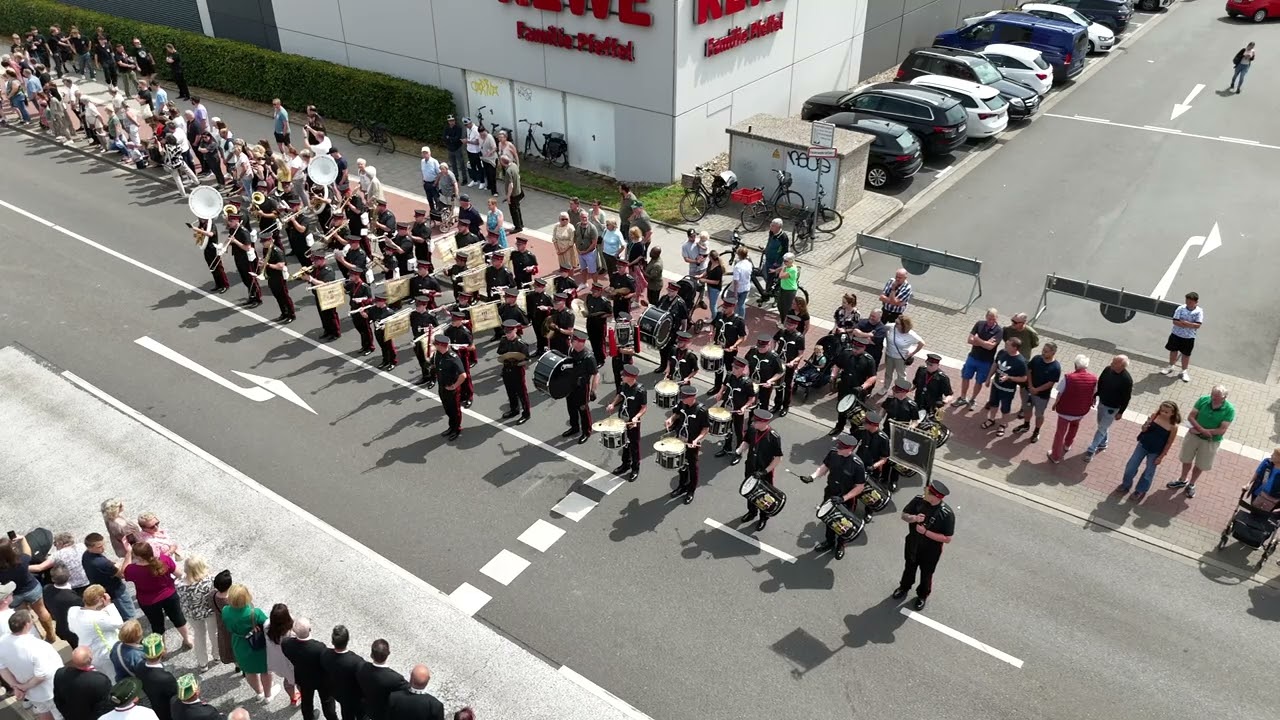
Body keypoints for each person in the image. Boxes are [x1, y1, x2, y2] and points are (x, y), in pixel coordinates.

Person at [892, 480, 955, 611]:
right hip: (913, 542)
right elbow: (904, 515)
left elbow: (947, 538)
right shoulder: (918, 500)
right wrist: (913, 518)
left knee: (926, 574)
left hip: (931, 550)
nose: (924, 492)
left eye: (928, 492)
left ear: (936, 497)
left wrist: (926, 532)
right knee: (909, 567)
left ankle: (922, 595)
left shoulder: (947, 514)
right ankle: (904, 587)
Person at [1167, 385, 1235, 499]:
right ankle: (1182, 479)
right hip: (1193, 436)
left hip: (1210, 442)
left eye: (1218, 397)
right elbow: (1191, 417)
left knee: (1201, 464)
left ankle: (1192, 484)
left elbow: (1222, 430)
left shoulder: (1230, 410)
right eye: (1213, 395)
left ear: (1225, 397)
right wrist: (1202, 431)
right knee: (1186, 459)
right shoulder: (1203, 400)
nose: (1214, 398)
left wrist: (1199, 431)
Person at [810, 433, 868, 560]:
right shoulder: (833, 453)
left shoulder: (857, 465)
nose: (838, 448)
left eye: (841, 447)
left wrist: (844, 498)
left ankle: (841, 544)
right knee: (829, 519)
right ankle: (829, 541)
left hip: (846, 498)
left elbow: (860, 487)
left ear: (850, 449)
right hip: (830, 492)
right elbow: (825, 467)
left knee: (844, 523)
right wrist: (812, 476)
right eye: (838, 445)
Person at [122, 543, 191, 647]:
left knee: (156, 625)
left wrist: (128, 553)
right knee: (178, 617)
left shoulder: (132, 570)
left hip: (148, 601)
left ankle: (161, 649)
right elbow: (180, 574)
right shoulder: (164, 559)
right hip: (169, 595)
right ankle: (187, 640)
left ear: (138, 556)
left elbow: (123, 572)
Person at [0, 609, 63, 720]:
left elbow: (2, 668)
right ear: (27, 625)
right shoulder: (38, 646)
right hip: (50, 690)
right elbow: (41, 675)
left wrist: (15, 686)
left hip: (32, 694)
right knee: (60, 714)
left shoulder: (2, 642)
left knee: (43, 712)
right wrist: (23, 687)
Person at [1115, 400, 1181, 501]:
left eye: (1166, 412)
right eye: (1162, 410)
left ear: (1173, 413)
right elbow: (1144, 429)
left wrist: (1161, 456)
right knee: (1131, 466)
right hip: (1143, 444)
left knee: (1149, 472)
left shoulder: (1173, 427)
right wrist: (1144, 427)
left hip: (1155, 451)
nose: (1163, 413)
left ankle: (1140, 490)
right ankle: (1126, 484)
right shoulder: (1154, 415)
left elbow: (1169, 443)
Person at [0, 536, 57, 640]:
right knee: (42, 610)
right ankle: (51, 635)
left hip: (14, 595)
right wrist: (23, 539)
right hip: (32, 588)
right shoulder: (21, 560)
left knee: (24, 617)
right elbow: (28, 551)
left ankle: (34, 636)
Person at [736, 409, 785, 531]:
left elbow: (778, 458)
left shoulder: (773, 437)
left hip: (764, 472)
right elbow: (746, 442)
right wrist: (738, 452)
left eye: (756, 422)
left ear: (764, 422)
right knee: (750, 492)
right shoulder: (752, 430)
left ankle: (764, 517)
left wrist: (765, 471)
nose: (753, 423)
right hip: (751, 467)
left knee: (764, 496)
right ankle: (752, 512)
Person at [220, 584, 271, 702]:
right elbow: (267, 625)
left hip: (239, 644)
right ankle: (268, 696)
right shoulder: (255, 613)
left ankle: (259, 692)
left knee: (249, 671)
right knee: (265, 670)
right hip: (258, 645)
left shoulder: (226, 611)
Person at [282, 618, 337, 720]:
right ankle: (331, 718)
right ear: (310, 629)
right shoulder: (319, 647)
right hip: (322, 680)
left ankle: (309, 718)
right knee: (327, 701)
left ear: (294, 631)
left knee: (306, 702)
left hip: (303, 678)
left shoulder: (286, 644)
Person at [1047, 355, 1097, 464]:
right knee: (1074, 426)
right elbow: (1093, 394)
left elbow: (1059, 393)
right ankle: (1067, 445)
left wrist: (1055, 404)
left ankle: (1055, 456)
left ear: (1075, 365)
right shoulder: (1093, 379)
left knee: (1060, 433)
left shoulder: (1068, 377)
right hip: (1081, 411)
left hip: (1065, 411)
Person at [1083, 354, 1133, 461]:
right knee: (1101, 424)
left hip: (1112, 408)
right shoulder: (1107, 370)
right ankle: (1103, 443)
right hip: (1102, 403)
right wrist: (1095, 395)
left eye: (1114, 362)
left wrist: (1121, 412)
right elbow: (1100, 382)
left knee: (1101, 428)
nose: (1111, 363)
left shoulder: (1127, 380)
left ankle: (1091, 449)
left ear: (1122, 366)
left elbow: (1126, 398)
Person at [666, 385, 710, 503]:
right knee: (681, 464)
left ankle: (691, 490)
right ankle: (681, 486)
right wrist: (671, 419)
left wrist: (697, 440)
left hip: (692, 443)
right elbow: (677, 414)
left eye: (685, 398)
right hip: (680, 439)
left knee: (692, 467)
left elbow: (705, 429)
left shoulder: (701, 411)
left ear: (692, 397)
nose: (682, 399)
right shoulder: (683, 404)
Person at [175, 555, 218, 670]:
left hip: (192, 614)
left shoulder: (179, 584)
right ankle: (217, 655)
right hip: (209, 611)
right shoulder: (209, 581)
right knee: (213, 633)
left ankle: (203, 663)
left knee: (199, 635)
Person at [67, 585, 123, 672]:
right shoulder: (98, 618)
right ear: (101, 600)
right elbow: (119, 623)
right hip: (105, 654)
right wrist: (109, 605)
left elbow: (72, 628)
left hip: (90, 652)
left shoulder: (73, 610)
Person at [1012, 342, 1060, 443]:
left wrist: (1036, 390)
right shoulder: (1037, 358)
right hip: (1028, 390)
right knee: (1027, 409)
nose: (1043, 353)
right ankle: (1026, 424)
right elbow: (1029, 371)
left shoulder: (1055, 367)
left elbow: (1050, 383)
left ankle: (1036, 431)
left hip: (1042, 396)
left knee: (1039, 414)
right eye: (1043, 350)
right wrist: (1030, 386)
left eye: (1046, 351)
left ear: (1053, 353)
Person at [980, 337, 1027, 437]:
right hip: (996, 385)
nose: (1005, 346)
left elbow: (1023, 378)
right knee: (993, 404)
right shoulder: (1002, 352)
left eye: (1008, 345)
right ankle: (991, 419)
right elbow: (995, 365)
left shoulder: (1021, 361)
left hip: (1008, 390)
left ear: (1015, 348)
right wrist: (989, 378)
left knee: (1005, 408)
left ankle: (1003, 424)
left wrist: (1009, 377)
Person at [54, 646, 113, 720]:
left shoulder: (60, 673)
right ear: (90, 659)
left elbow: (58, 700)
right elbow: (106, 706)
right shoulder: (99, 681)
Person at [957, 309, 1000, 408]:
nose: (991, 321)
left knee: (979, 381)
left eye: (993, 319)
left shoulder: (998, 331)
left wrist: (978, 339)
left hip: (986, 362)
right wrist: (985, 342)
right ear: (986, 317)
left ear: (996, 319)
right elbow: (969, 340)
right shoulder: (979, 324)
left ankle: (972, 399)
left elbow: (990, 347)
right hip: (972, 357)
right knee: (965, 377)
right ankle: (963, 397)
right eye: (989, 319)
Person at [561, 331, 598, 444]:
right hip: (571, 384)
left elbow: (595, 374)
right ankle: (574, 427)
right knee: (571, 407)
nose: (573, 343)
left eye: (575, 341)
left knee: (583, 409)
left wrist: (593, 390)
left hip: (582, 386)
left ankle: (586, 431)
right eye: (573, 341)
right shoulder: (571, 351)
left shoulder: (588, 357)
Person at [322, 625, 366, 720]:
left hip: (340, 694)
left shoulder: (325, 655)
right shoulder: (357, 662)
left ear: (333, 641)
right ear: (348, 640)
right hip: (356, 697)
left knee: (346, 714)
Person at [357, 639, 406, 720]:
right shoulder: (395, 678)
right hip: (384, 714)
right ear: (388, 654)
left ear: (371, 655)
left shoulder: (361, 667)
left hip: (367, 709)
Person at [1161, 291, 1203, 383]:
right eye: (1187, 301)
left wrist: (1185, 323)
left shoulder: (1199, 311)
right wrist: (1189, 324)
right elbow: (1175, 321)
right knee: (1173, 351)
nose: (1188, 303)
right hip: (1176, 335)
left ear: (1196, 302)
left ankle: (1184, 371)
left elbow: (1198, 325)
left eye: (1190, 302)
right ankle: (1171, 366)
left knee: (1186, 355)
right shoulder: (1180, 308)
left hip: (1189, 337)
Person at [496, 319, 532, 424]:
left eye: (510, 332)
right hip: (507, 369)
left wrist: (516, 363)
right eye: (506, 332)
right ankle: (514, 409)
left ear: (515, 330)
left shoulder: (521, 344)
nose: (508, 335)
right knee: (510, 391)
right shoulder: (503, 340)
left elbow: (527, 360)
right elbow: (500, 352)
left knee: (522, 393)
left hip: (517, 371)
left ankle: (526, 413)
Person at [135, 635, 177, 720]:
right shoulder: (166, 678)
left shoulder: (139, 667)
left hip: (155, 706)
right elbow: (176, 696)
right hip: (170, 712)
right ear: (162, 652)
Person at [265, 604, 300, 706]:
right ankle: (304, 699)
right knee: (299, 682)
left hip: (278, 663)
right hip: (292, 665)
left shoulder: (266, 627)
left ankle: (293, 698)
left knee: (288, 682)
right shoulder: (291, 635)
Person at [771, 314, 805, 417]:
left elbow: (801, 353)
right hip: (779, 363)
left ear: (795, 325)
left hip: (789, 365)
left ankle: (785, 406)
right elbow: (774, 340)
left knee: (787, 387)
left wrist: (793, 361)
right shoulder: (782, 332)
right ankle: (777, 405)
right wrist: (773, 351)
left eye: (790, 325)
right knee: (778, 385)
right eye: (787, 324)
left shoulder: (799, 337)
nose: (788, 326)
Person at [434, 335, 467, 441]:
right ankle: (451, 427)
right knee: (447, 409)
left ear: (441, 346)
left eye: (436, 344)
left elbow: (463, 375)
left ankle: (457, 429)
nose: (435, 345)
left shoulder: (453, 358)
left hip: (451, 389)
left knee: (455, 411)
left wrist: (455, 386)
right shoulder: (438, 354)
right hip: (442, 388)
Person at [882, 315, 924, 391]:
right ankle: (885, 387)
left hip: (900, 358)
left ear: (903, 325)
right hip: (889, 355)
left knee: (901, 375)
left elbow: (922, 343)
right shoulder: (891, 327)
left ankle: (899, 389)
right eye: (895, 322)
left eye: (897, 323)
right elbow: (882, 328)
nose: (895, 324)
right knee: (888, 373)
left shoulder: (911, 335)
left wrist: (912, 353)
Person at [43, 564, 81, 646]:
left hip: (62, 628)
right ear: (69, 576)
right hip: (75, 631)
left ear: (53, 579)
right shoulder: (74, 599)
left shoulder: (46, 589)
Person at [912, 353, 953, 418]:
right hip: (918, 401)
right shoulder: (921, 370)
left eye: (931, 365)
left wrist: (945, 400)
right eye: (927, 364)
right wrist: (908, 389)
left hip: (932, 406)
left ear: (938, 365)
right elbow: (915, 383)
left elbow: (949, 395)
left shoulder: (942, 378)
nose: (928, 366)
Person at [500, 156, 524, 233]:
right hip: (519, 191)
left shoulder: (508, 171)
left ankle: (518, 227)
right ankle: (520, 224)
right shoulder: (514, 165)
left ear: (503, 162)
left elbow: (511, 185)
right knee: (517, 208)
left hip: (513, 194)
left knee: (514, 211)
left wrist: (508, 196)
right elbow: (518, 176)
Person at [774, 253, 800, 319]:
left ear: (791, 261)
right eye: (784, 261)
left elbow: (781, 276)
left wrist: (783, 268)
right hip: (783, 289)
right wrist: (775, 270)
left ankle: (784, 323)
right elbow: (782, 268)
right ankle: (782, 320)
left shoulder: (792, 269)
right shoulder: (787, 266)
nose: (784, 262)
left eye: (786, 261)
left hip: (789, 291)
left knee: (786, 308)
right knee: (779, 305)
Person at [731, 246, 753, 317]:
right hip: (746, 287)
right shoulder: (749, 263)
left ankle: (736, 318)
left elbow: (736, 281)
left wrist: (735, 292)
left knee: (737, 305)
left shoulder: (737, 267)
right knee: (742, 304)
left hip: (739, 288)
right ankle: (741, 319)